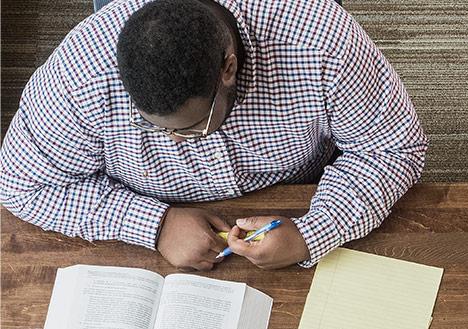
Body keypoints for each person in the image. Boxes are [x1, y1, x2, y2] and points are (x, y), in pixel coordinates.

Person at [0, 0, 427, 270]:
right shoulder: (78, 77)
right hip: (158, 240)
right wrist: (153, 223)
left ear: (228, 69)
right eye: (148, 125)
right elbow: (20, 184)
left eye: (192, 127)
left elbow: (393, 148)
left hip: (303, 193)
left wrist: (311, 232)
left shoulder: (323, 43)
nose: (174, 143)